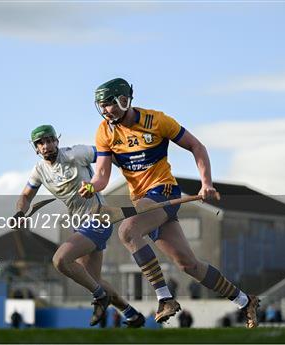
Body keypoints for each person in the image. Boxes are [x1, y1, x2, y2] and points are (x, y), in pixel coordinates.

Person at [79, 78, 260, 327]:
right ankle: (244, 300)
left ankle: (165, 299)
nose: (107, 109)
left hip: (163, 192)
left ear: (124, 99)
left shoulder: (157, 120)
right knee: (188, 265)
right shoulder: (105, 132)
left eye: (110, 103)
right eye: (102, 105)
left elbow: (197, 146)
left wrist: (206, 183)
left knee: (128, 231)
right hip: (143, 201)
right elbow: (101, 176)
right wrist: (91, 187)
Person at [13, 124, 145, 328]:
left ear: (57, 141)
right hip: (80, 225)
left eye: (49, 140)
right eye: (41, 143)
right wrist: (21, 212)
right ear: (36, 148)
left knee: (60, 260)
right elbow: (25, 196)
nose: (46, 145)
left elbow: (108, 155)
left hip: (99, 218)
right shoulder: (39, 171)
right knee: (93, 279)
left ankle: (100, 297)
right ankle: (132, 314)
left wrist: (135, 179)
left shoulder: (76, 154)